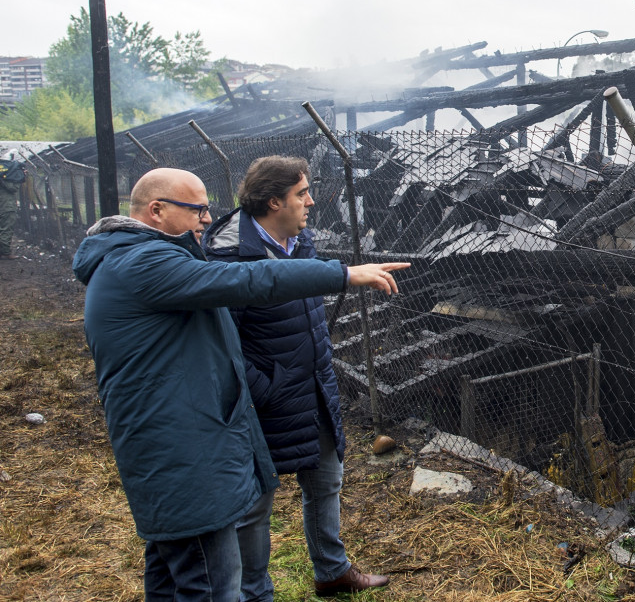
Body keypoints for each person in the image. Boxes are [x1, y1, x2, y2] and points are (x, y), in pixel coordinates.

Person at [71, 167, 408, 602]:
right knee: (213, 583)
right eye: (197, 210)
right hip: (182, 448)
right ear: (156, 210)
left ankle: (310, 574)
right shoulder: (144, 262)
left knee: (176, 574)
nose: (207, 219)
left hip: (181, 440)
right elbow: (248, 281)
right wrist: (343, 274)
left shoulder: (138, 257)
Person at [202, 156, 388, 599]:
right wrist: (265, 388)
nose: (311, 202)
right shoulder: (229, 257)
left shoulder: (298, 240)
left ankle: (332, 571)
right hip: (263, 401)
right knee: (254, 503)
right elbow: (220, 347)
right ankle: (253, 592)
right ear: (274, 202)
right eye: (302, 193)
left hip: (312, 388)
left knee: (326, 481)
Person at [0, 153, 25, 259]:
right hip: (6, 206)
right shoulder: (8, 177)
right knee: (6, 229)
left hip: (5, 205)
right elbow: (13, 188)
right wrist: (18, 177)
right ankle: (5, 252)